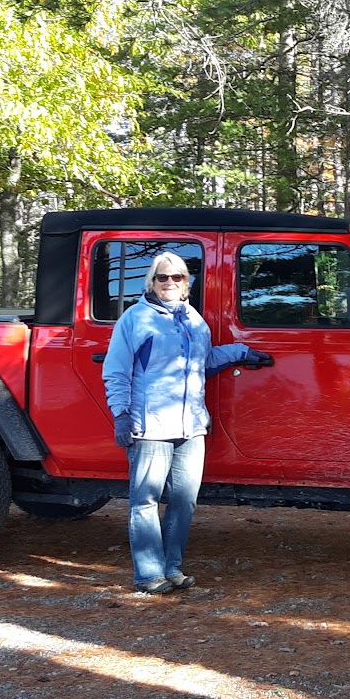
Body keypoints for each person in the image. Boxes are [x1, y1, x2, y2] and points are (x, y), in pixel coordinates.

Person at [101, 250, 271, 594]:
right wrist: (121, 414)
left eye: (176, 277)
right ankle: (149, 576)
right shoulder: (135, 319)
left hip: (192, 425)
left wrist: (239, 352)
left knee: (184, 499)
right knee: (145, 500)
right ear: (152, 281)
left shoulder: (194, 319)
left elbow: (203, 362)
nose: (169, 283)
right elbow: (116, 370)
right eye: (162, 277)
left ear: (186, 283)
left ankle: (173, 568)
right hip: (149, 425)